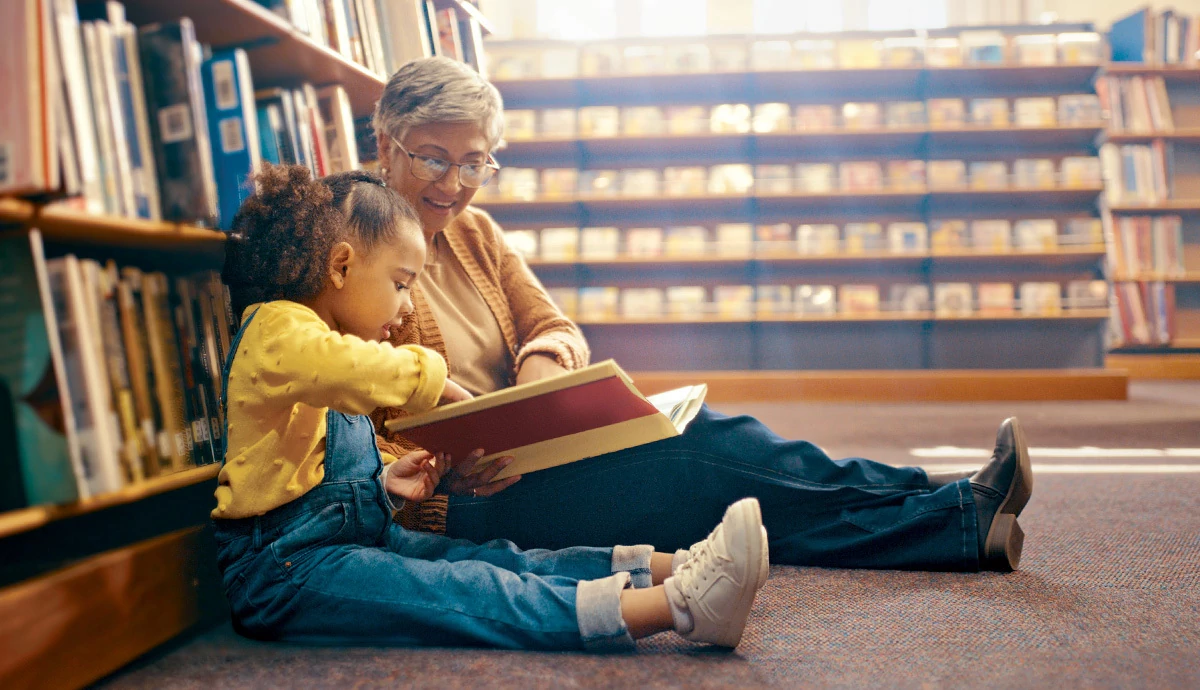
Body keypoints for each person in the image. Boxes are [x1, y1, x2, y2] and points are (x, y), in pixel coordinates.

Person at [369, 57, 1033, 574]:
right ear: (385, 143)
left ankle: (948, 513)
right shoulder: (355, 250)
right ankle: (941, 507)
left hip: (542, 456)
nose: (453, 183)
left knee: (709, 471)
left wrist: (530, 397)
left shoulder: (475, 232)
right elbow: (348, 416)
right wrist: (442, 476)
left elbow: (553, 327)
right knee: (699, 454)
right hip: (465, 503)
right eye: (433, 158)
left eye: (475, 162)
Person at [211, 163, 771, 651]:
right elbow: (352, 371)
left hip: (351, 539)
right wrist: (439, 383)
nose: (406, 308)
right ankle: (679, 608)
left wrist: (382, 482)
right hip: (283, 571)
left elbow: (303, 468)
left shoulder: (326, 342)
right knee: (469, 592)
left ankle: (669, 567)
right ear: (339, 267)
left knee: (491, 559)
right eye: (402, 284)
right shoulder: (279, 329)